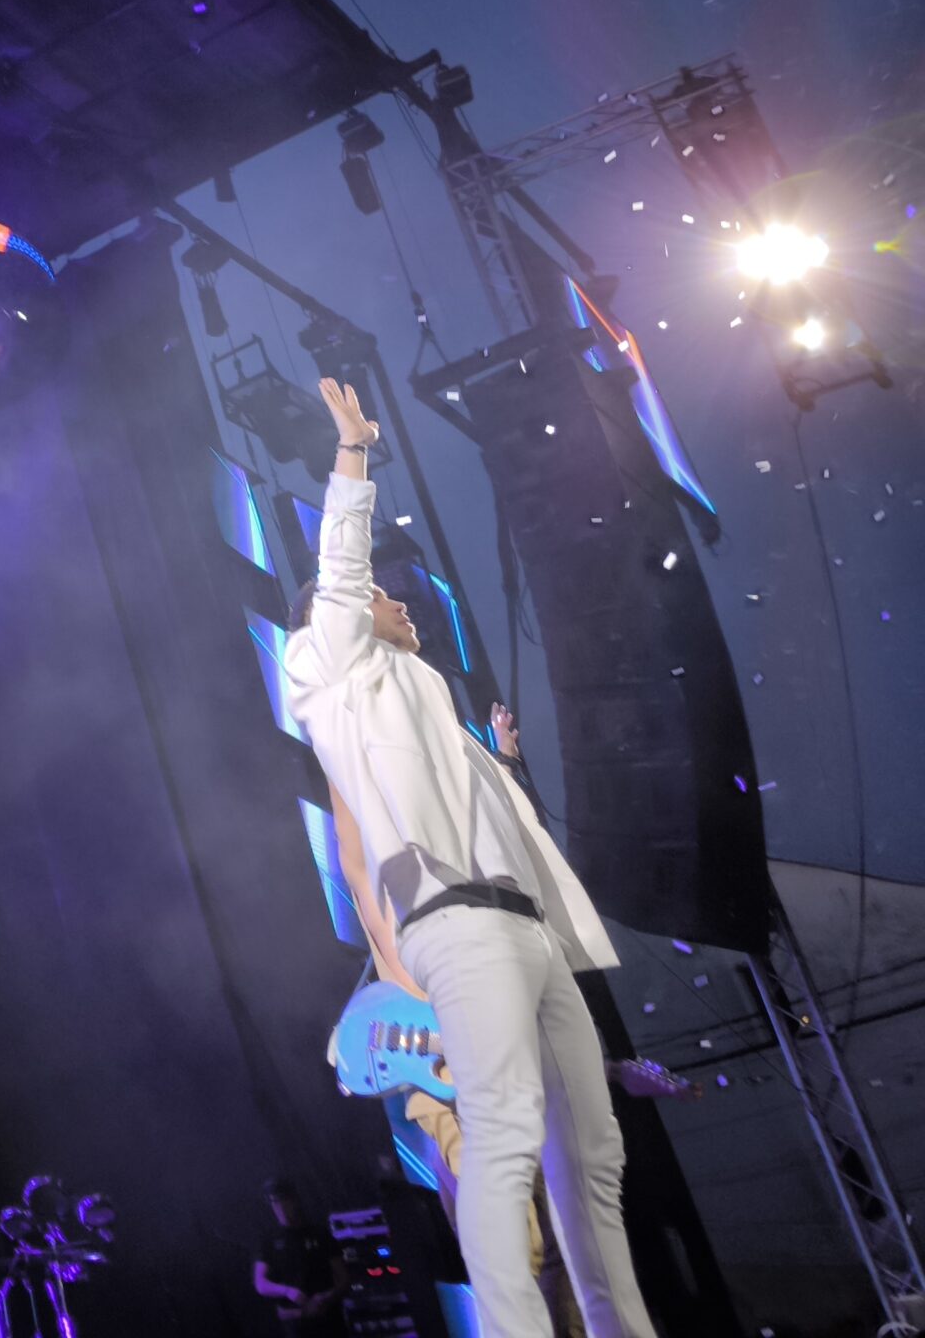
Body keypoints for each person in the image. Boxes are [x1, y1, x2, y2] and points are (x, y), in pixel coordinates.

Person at [286, 378, 655, 1338]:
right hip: (458, 926)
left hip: (531, 936)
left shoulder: (431, 707)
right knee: (499, 1142)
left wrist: (508, 769)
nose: (400, 601)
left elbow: (504, 829)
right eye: (383, 594)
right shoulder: (333, 676)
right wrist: (355, 452)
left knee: (596, 1155)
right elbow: (336, 567)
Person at [253, 1178, 350, 1333]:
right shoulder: (270, 1241)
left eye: (284, 1201)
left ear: (294, 1200)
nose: (281, 1208)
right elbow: (260, 1283)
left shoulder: (319, 1234)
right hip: (296, 1325)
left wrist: (327, 1297)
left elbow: (344, 1279)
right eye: (275, 1202)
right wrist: (286, 1291)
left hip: (329, 1321)